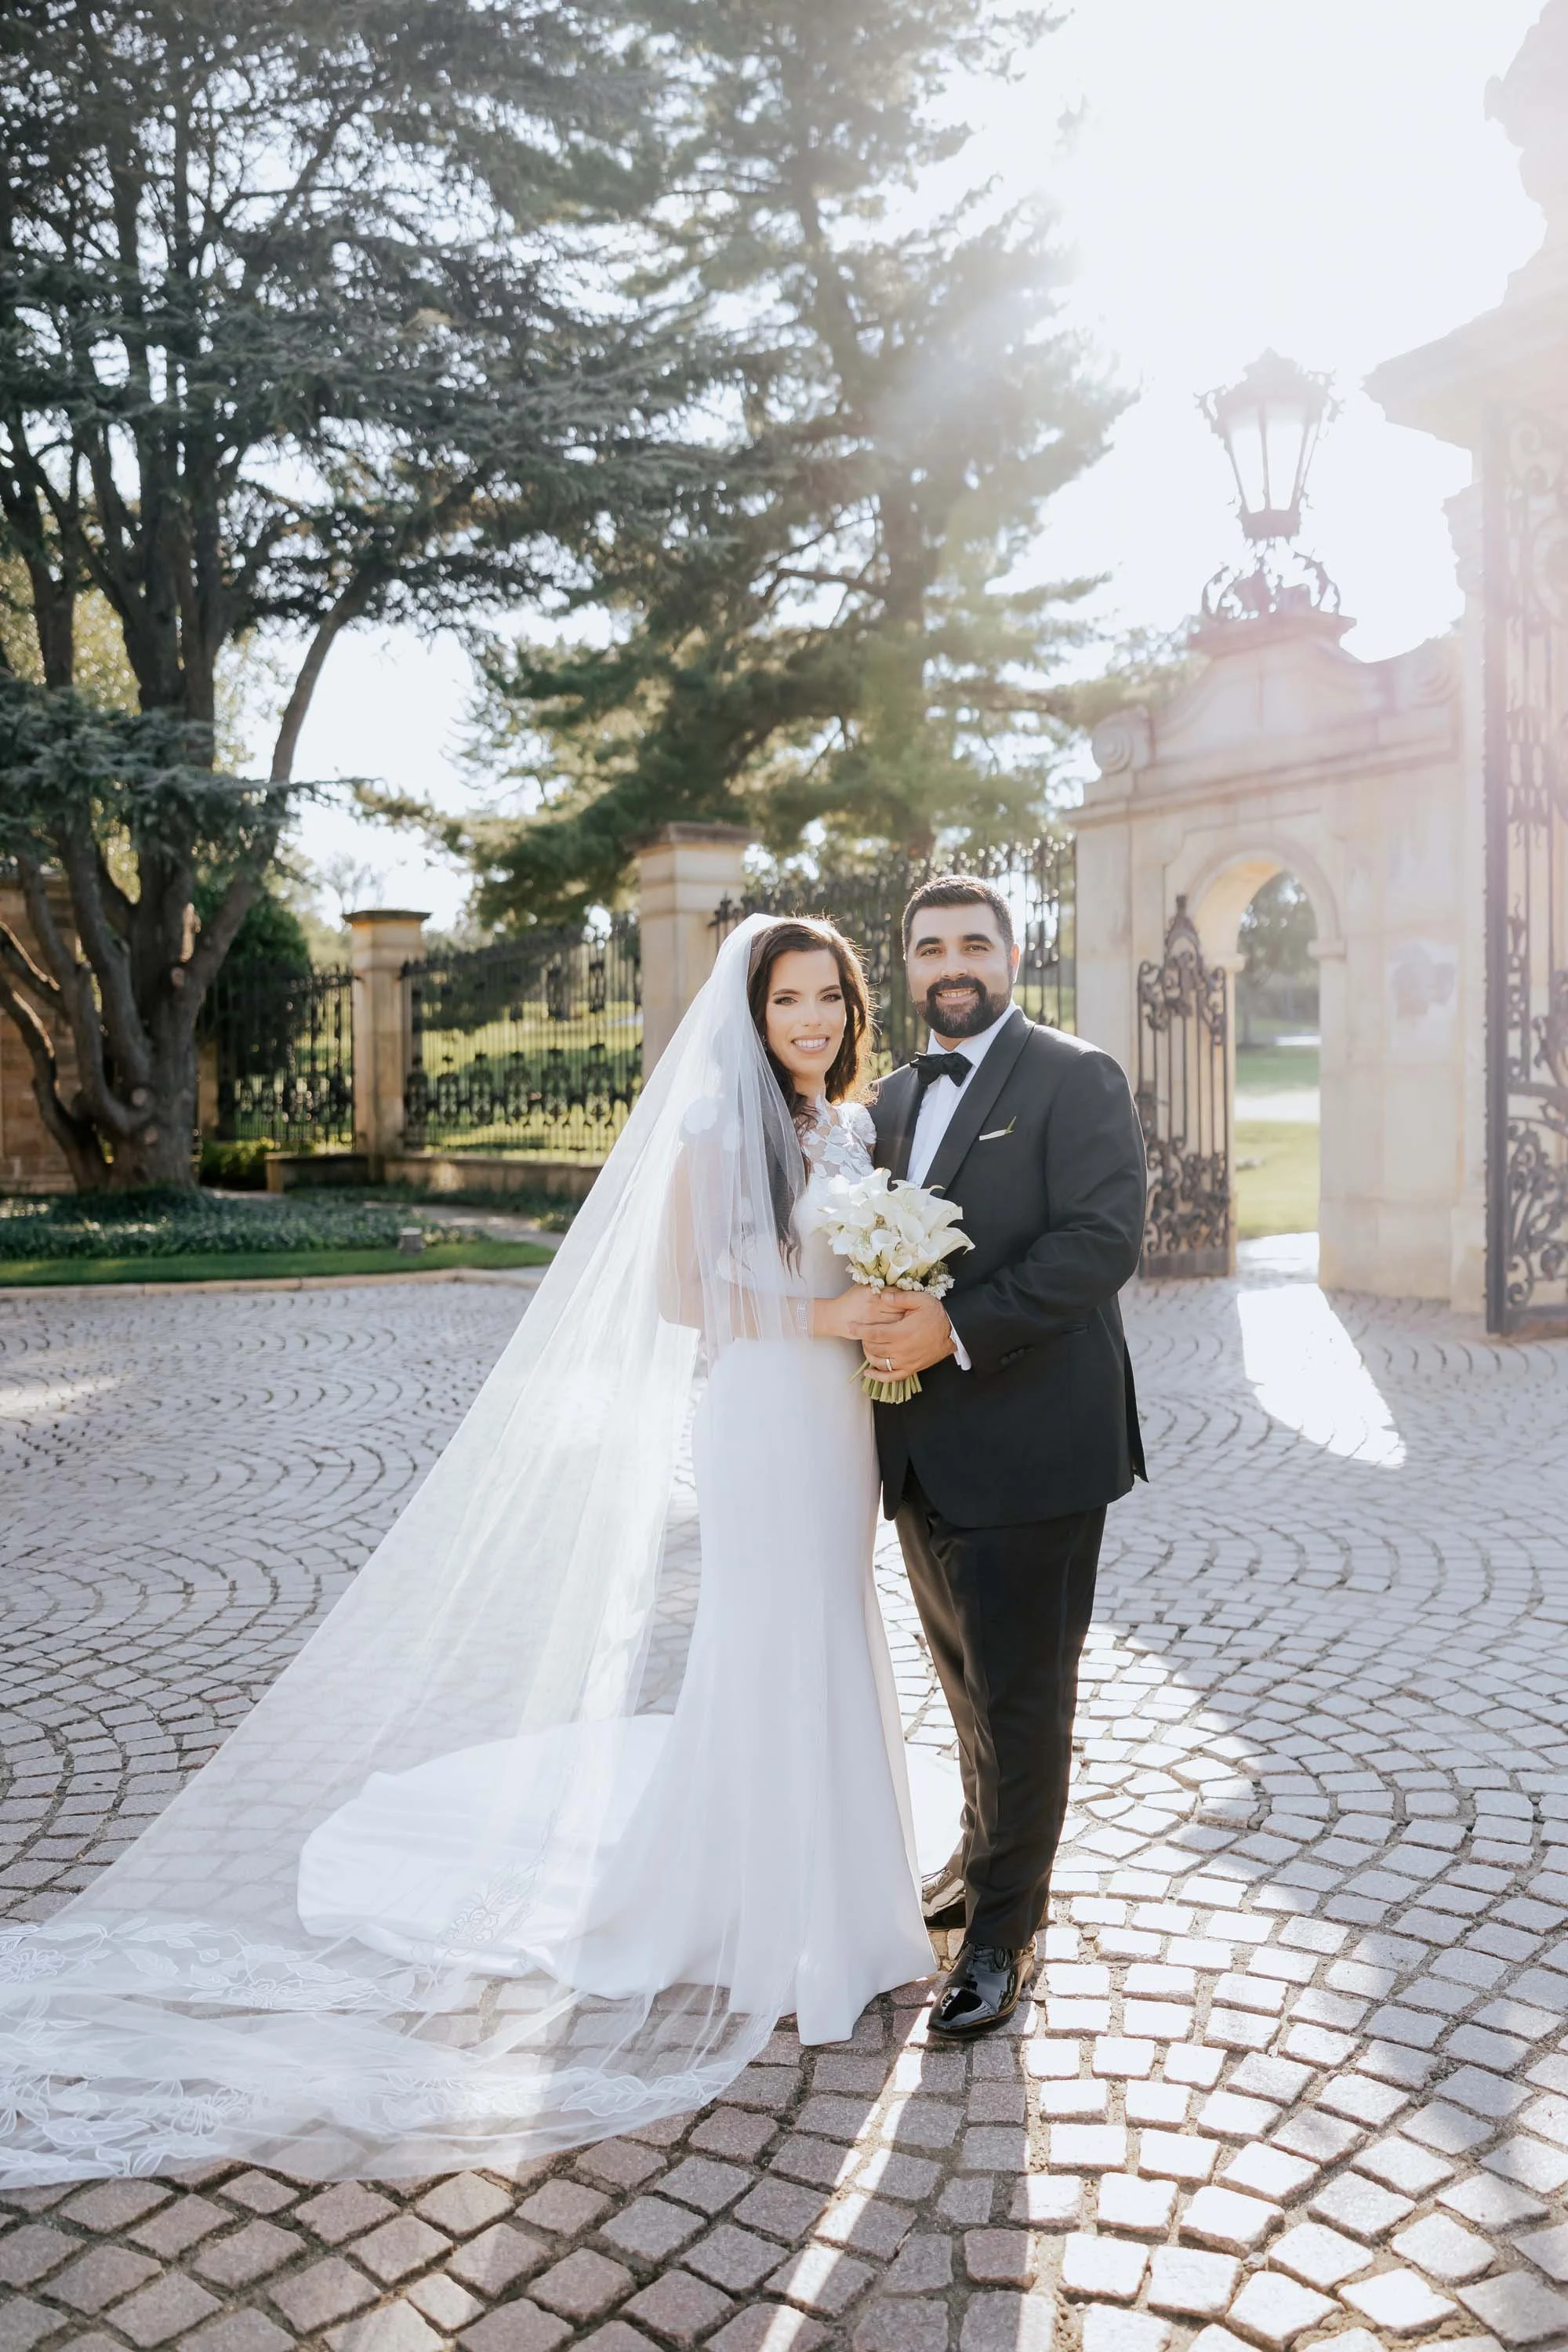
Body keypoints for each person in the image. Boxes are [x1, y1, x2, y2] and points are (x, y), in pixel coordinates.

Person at [0, 913, 952, 2187]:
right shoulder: (719, 1124)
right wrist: (827, 1308)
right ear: (753, 1011)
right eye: (791, 1000)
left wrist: (881, 1302)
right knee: (766, 1635)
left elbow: (841, 1251)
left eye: (831, 998)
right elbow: (682, 1292)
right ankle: (760, 1915)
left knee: (834, 1622)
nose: (815, 1021)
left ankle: (848, 1900)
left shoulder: (847, 1125)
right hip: (763, 1415)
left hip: (837, 1420)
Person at [865, 875, 1148, 2038]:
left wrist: (956, 1326)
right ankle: (983, 1868)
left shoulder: (1075, 1078)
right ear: (911, 965)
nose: (952, 963)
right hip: (922, 1451)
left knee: (1025, 1697)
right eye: (931, 947)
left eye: (974, 942)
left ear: (1015, 956)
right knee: (966, 1686)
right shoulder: (886, 1097)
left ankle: (1003, 1938)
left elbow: (1103, 1242)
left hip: (1035, 1449)